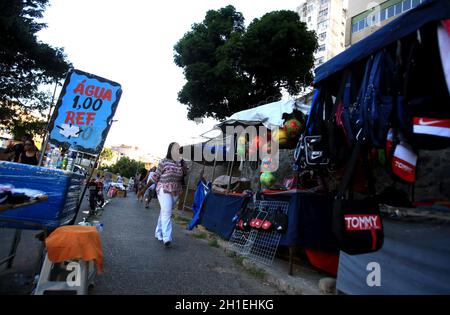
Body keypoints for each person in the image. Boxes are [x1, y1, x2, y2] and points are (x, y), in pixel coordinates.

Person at [145, 143, 186, 248]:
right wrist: (143, 189)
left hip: (176, 190)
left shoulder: (181, 162)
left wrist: (183, 166)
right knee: (167, 212)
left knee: (164, 211)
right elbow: (155, 177)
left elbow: (184, 174)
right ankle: (167, 237)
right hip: (164, 188)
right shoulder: (163, 162)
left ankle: (158, 232)